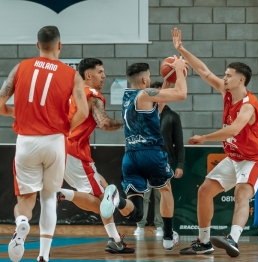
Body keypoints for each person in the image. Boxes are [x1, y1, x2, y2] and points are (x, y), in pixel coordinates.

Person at [171, 28, 258, 257]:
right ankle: (204, 242)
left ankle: (233, 239)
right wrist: (181, 49)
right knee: (204, 191)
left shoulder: (248, 105)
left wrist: (204, 138)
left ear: (240, 79)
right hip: (235, 157)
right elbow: (204, 72)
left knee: (242, 193)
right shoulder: (227, 93)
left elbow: (235, 129)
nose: (224, 78)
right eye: (224, 75)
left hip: (255, 159)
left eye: (228, 75)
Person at [0, 26, 89, 262]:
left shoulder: (20, 68)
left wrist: (13, 112)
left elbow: (0, 104)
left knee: (26, 200)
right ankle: (43, 256)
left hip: (26, 142)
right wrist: (66, 128)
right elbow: (83, 111)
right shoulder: (72, 74)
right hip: (54, 142)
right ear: (59, 45)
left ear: (37, 45)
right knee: (49, 198)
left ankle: (21, 223)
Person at [100, 57, 188, 251]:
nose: (149, 79)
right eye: (148, 77)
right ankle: (167, 237)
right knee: (165, 190)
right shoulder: (145, 94)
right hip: (151, 153)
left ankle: (116, 199)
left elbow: (156, 109)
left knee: (136, 213)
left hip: (130, 157)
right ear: (144, 81)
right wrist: (180, 70)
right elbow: (181, 94)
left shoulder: (127, 97)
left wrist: (167, 81)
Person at [56, 58, 134, 254]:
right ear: (88, 75)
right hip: (75, 151)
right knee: (102, 202)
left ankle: (115, 237)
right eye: (100, 72)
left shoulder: (67, 92)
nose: (104, 76)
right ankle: (63, 194)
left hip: (55, 147)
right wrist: (129, 122)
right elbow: (104, 123)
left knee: (102, 185)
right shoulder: (92, 94)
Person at [133, 81, 185, 237]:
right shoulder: (142, 114)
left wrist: (180, 164)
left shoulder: (172, 116)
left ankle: (161, 226)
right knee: (144, 194)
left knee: (161, 194)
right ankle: (140, 226)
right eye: (155, 93)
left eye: (161, 93)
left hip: (164, 161)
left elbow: (179, 143)